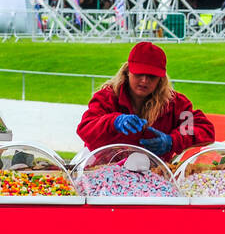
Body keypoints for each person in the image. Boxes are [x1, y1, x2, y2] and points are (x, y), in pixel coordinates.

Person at [77, 42, 214, 161]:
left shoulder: (175, 104)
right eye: (139, 74)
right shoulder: (106, 98)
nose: (144, 80)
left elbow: (204, 129)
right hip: (103, 172)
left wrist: (172, 141)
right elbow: (85, 128)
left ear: (161, 79)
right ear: (127, 71)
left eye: (152, 76)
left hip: (154, 177)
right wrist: (114, 122)